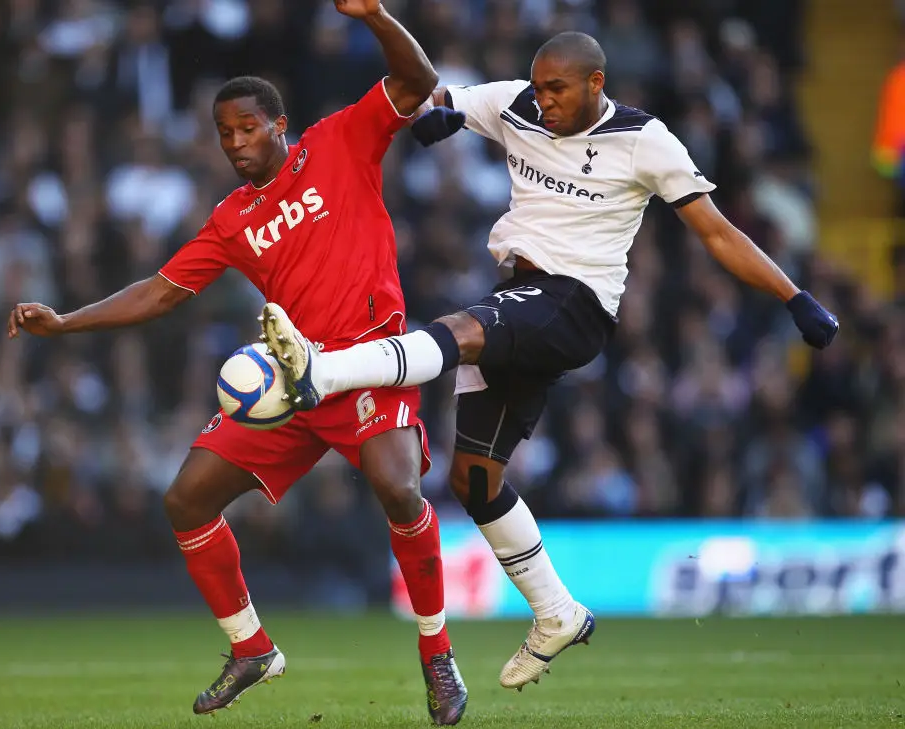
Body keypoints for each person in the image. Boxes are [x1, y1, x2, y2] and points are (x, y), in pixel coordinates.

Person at [261, 31, 840, 691]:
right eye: (537, 87)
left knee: (459, 329)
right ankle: (556, 611)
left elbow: (716, 231)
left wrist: (794, 295)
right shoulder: (515, 104)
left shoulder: (645, 140)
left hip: (575, 302)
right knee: (473, 479)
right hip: (519, 295)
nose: (544, 101)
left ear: (596, 83)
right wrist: (437, 115)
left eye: (557, 89)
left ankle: (323, 372)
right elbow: (438, 94)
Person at [6, 1, 468, 723]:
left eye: (248, 127)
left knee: (397, 488)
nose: (236, 142)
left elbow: (417, 79)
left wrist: (374, 14)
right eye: (225, 133)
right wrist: (67, 321)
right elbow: (161, 291)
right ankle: (250, 646)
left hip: (372, 361)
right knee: (185, 498)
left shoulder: (339, 140)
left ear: (279, 124)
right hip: (293, 382)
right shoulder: (232, 219)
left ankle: (437, 655)